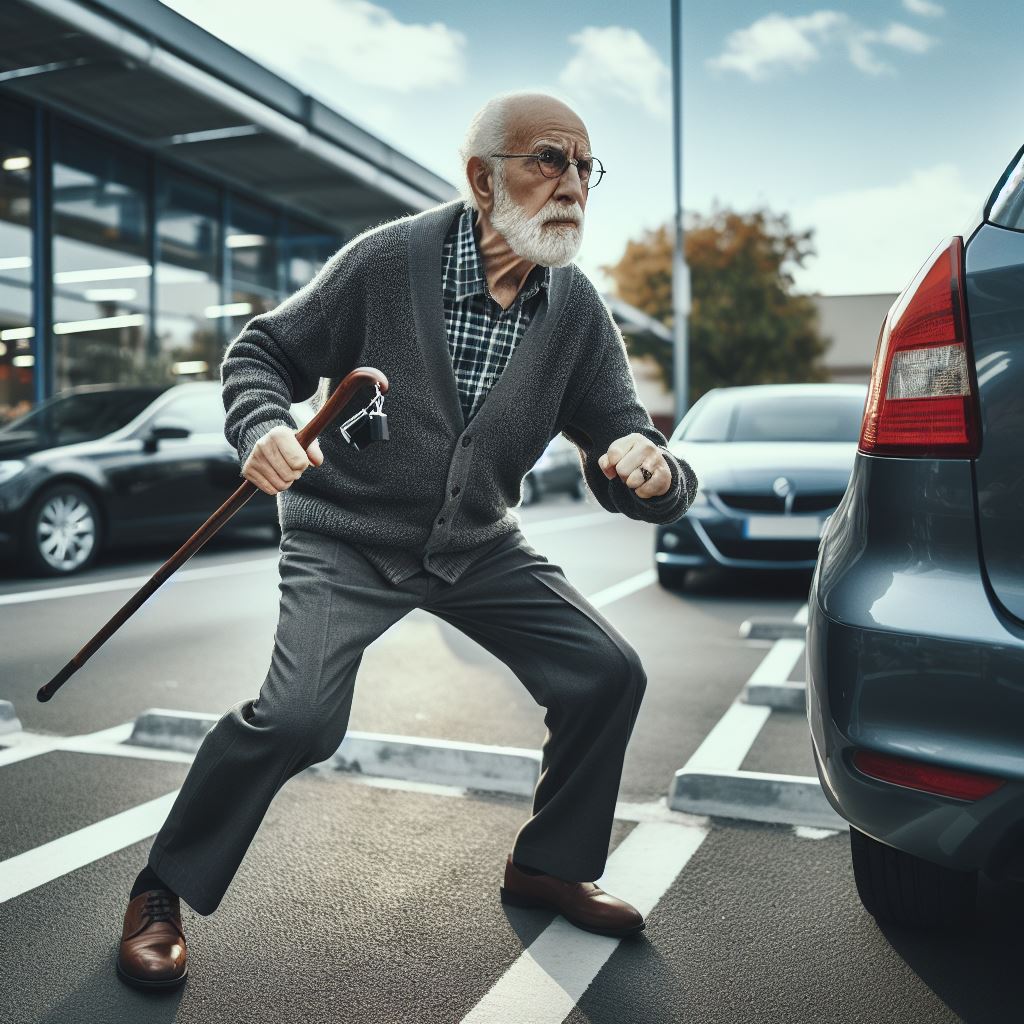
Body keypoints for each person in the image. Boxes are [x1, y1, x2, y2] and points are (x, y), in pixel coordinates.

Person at [117, 89, 698, 990]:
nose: (574, 184)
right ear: (481, 177)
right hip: (345, 533)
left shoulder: (575, 310)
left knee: (606, 671)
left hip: (475, 543)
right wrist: (263, 425)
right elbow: (261, 354)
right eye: (551, 159)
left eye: (586, 167)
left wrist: (651, 469)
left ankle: (547, 863)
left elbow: (629, 443)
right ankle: (162, 888)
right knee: (301, 717)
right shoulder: (387, 262)